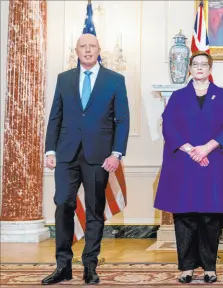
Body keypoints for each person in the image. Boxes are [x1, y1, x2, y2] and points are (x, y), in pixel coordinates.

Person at [42, 33, 130, 285]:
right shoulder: (64, 78)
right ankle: (63, 266)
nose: (88, 50)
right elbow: (55, 117)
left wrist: (116, 153)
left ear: (99, 49)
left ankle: (90, 266)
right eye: (83, 46)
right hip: (66, 154)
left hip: (99, 156)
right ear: (76, 51)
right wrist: (50, 150)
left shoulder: (115, 80)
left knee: (94, 211)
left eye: (92, 46)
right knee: (63, 207)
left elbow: (122, 120)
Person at [154, 51, 223, 284]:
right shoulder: (178, 96)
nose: (199, 67)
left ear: (210, 69)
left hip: (213, 163)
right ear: (189, 69)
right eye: (195, 64)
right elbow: (169, 127)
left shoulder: (222, 96)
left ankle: (210, 267)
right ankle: (187, 268)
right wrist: (191, 149)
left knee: (210, 218)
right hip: (184, 163)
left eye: (204, 64)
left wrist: (206, 149)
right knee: (185, 217)